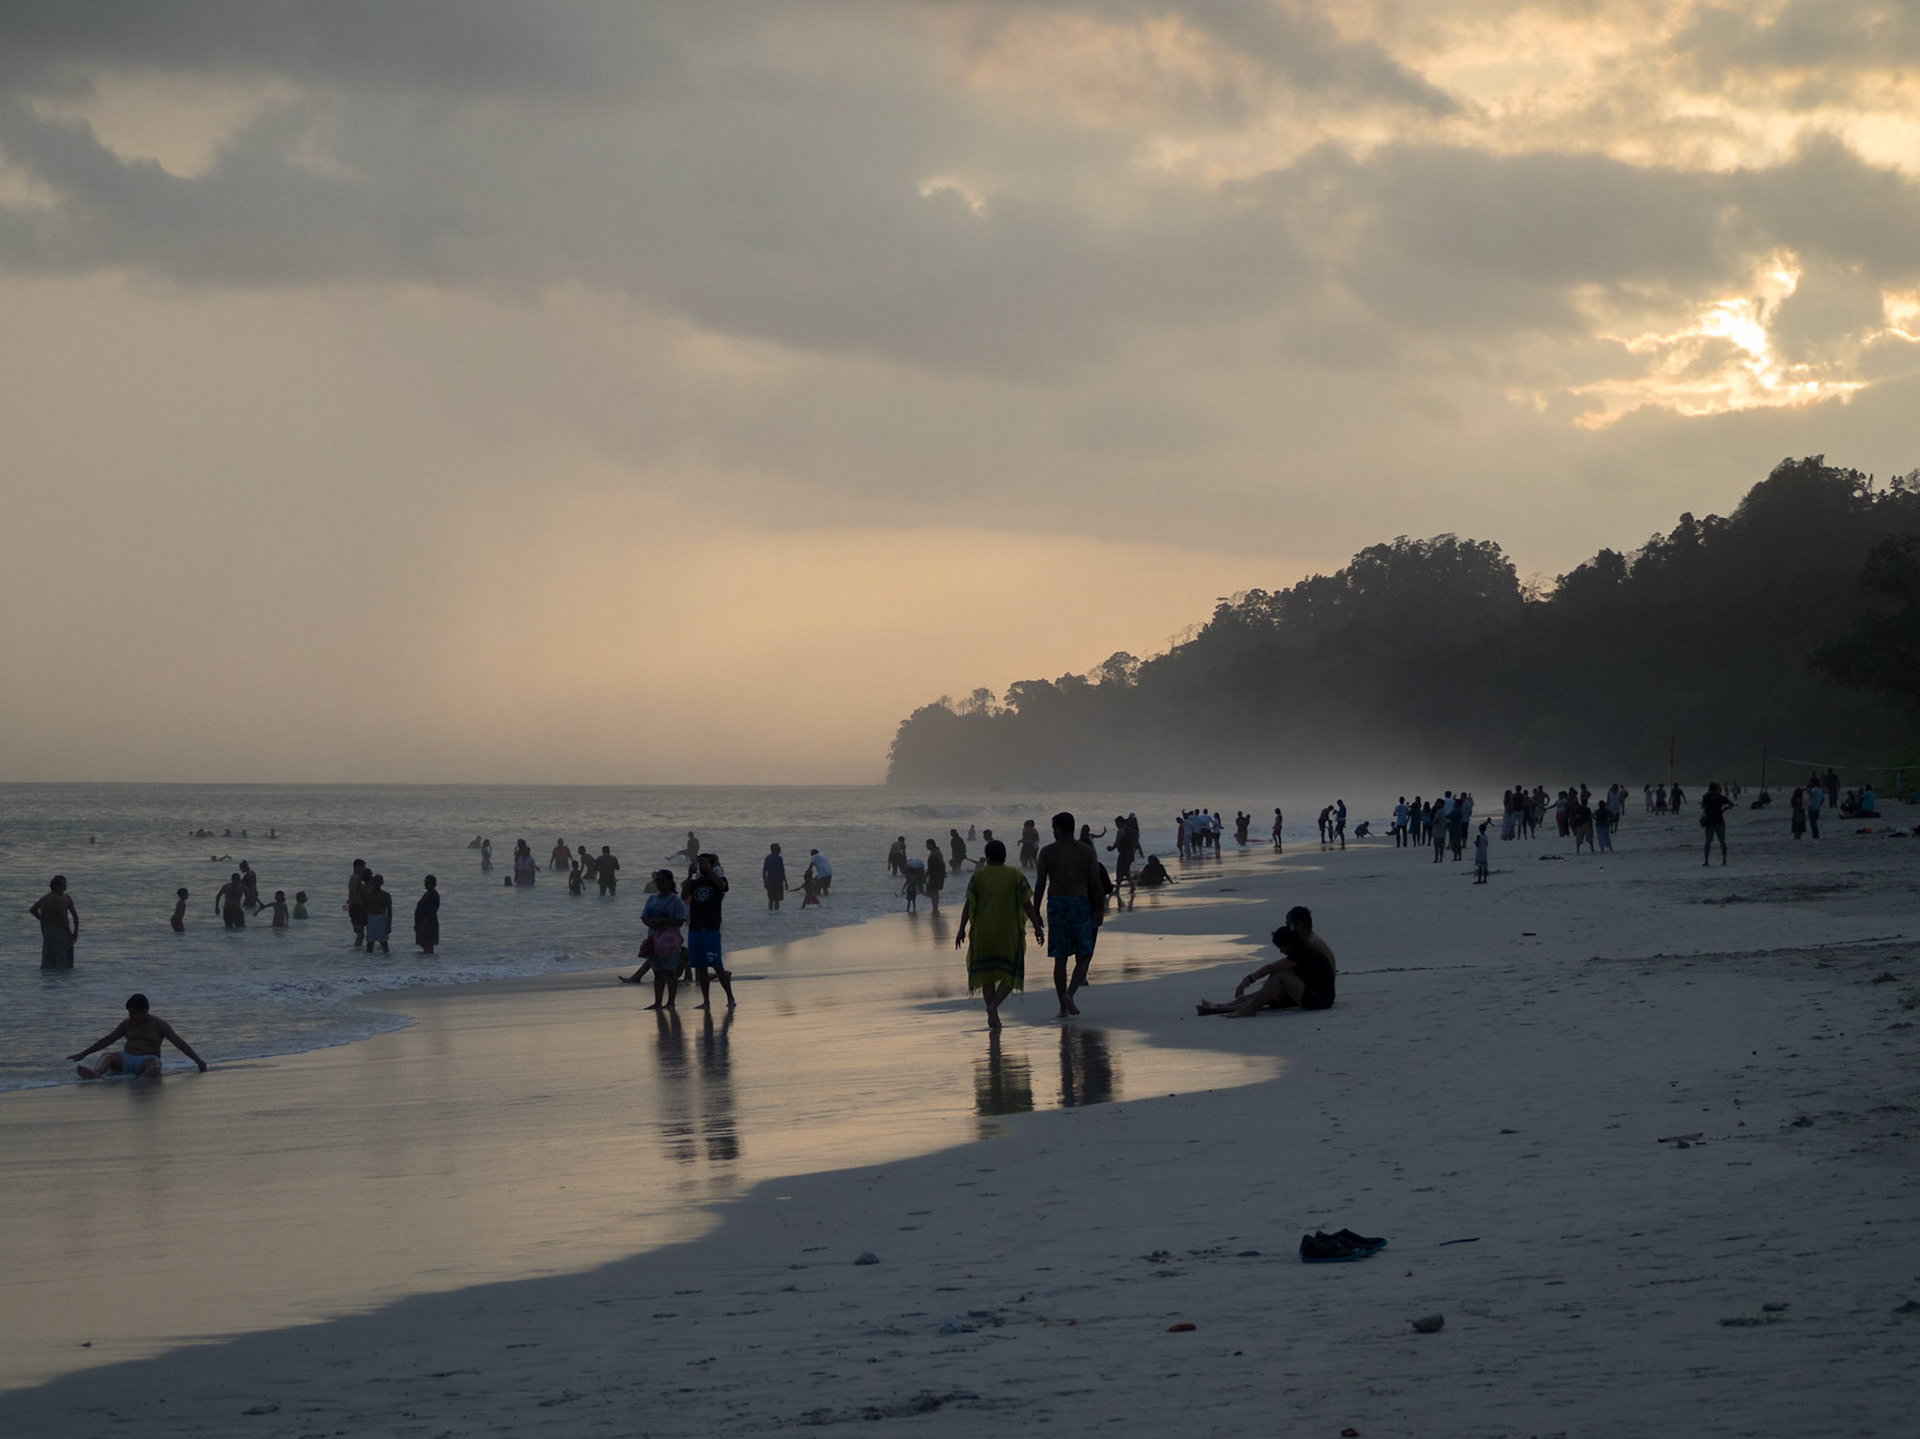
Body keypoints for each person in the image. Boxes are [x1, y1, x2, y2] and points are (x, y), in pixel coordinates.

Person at [954, 838, 1043, 1030]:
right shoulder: (1015, 875)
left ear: (987, 857)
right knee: (1010, 973)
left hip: (983, 932)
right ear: (1004, 856)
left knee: (987, 975)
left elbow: (969, 904)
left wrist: (961, 929)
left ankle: (991, 1011)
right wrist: (1037, 926)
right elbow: (1027, 904)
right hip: (1008, 932)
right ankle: (993, 1007)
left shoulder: (978, 876)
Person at [1032, 811, 1101, 1018]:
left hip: (1056, 904)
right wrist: (1099, 909)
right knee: (1084, 955)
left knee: (1060, 959)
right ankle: (1070, 994)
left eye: (1054, 828)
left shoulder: (1046, 852)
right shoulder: (1087, 851)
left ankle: (1062, 1007)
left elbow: (1040, 884)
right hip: (1080, 903)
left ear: (1059, 829)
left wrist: (1035, 912)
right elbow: (1095, 884)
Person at [1196, 921, 1334, 1016]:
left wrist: (1248, 980)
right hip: (1310, 992)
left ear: (1289, 944)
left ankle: (1246, 1009)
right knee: (1265, 990)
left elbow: (1272, 967)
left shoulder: (1303, 951)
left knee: (1279, 976)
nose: (1281, 951)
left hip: (1319, 1000)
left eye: (1281, 947)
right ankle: (1219, 1007)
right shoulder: (1301, 949)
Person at [71, 994, 207, 1078]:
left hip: (147, 1059)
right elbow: (108, 1039)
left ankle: (143, 1081)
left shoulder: (159, 1025)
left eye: (134, 1013)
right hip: (127, 1058)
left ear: (145, 1010)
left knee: (154, 1066)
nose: (131, 1016)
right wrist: (84, 1053)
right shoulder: (126, 1024)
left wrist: (198, 1061)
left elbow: (179, 1043)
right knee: (108, 1056)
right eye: (129, 1013)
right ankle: (96, 1074)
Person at [623, 870, 689, 1006]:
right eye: (657, 881)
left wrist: (663, 921)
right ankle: (657, 1002)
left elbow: (680, 921)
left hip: (670, 940)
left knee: (670, 971)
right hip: (654, 939)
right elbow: (644, 917)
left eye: (662, 881)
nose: (659, 883)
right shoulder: (652, 899)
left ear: (670, 882)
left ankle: (671, 1002)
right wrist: (652, 923)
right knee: (657, 972)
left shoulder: (676, 901)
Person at [682, 854, 735, 1009]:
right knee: (701, 967)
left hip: (711, 928)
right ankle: (706, 1001)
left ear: (712, 865)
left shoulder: (719, 881)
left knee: (717, 965)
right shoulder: (694, 883)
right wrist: (689, 875)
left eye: (704, 864)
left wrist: (710, 870)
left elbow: (723, 887)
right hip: (695, 928)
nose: (702, 867)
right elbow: (684, 895)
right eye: (700, 864)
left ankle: (730, 998)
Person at [31, 877, 80, 968]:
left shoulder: (45, 898)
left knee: (47, 963)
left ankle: (50, 981)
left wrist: (43, 920)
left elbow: (33, 910)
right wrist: (72, 934)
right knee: (64, 963)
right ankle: (63, 981)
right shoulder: (64, 898)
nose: (65, 886)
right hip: (61, 932)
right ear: (57, 886)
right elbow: (67, 917)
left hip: (48, 932)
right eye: (63, 884)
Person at [1699, 782, 1732, 866]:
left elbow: (1702, 807)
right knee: (1722, 841)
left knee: (1708, 842)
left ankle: (1706, 861)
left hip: (1709, 822)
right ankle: (1724, 860)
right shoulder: (1720, 797)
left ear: (1709, 788)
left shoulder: (1706, 797)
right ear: (1716, 789)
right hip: (1719, 821)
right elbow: (1731, 804)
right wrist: (1723, 810)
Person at [364, 873, 393, 952]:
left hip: (382, 919)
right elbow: (364, 909)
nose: (377, 884)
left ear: (382, 883)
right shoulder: (367, 895)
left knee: (384, 943)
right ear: (372, 882)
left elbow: (389, 911)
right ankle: (367, 962)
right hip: (371, 919)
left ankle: (385, 961)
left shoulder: (386, 895)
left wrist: (389, 924)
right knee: (370, 943)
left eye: (379, 882)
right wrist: (364, 922)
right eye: (375, 882)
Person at [346, 859, 370, 947]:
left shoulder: (358, 878)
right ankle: (358, 951)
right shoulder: (355, 878)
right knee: (360, 934)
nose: (364, 869)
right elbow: (353, 893)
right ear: (358, 867)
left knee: (362, 934)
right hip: (356, 908)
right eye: (363, 867)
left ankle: (358, 953)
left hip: (358, 908)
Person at [415, 875, 440, 954]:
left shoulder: (432, 895)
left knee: (428, 946)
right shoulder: (428, 894)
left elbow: (431, 912)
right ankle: (428, 963)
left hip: (428, 925)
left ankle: (429, 963)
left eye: (427, 883)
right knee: (425, 946)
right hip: (424, 923)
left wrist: (423, 924)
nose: (425, 884)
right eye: (425, 882)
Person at [924, 838, 948, 915]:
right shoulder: (936, 852)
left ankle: (935, 908)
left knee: (932, 891)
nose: (926, 846)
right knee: (934, 891)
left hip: (935, 875)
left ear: (932, 844)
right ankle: (935, 907)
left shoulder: (935, 853)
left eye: (928, 844)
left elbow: (941, 864)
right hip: (936, 874)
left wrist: (942, 874)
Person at [762, 843, 787, 909]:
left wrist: (765, 882)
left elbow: (764, 871)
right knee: (777, 901)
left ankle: (771, 915)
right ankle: (776, 916)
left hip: (770, 881)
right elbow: (782, 871)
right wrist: (786, 883)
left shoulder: (767, 858)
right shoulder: (779, 858)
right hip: (778, 881)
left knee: (770, 900)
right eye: (779, 848)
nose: (780, 849)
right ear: (776, 849)